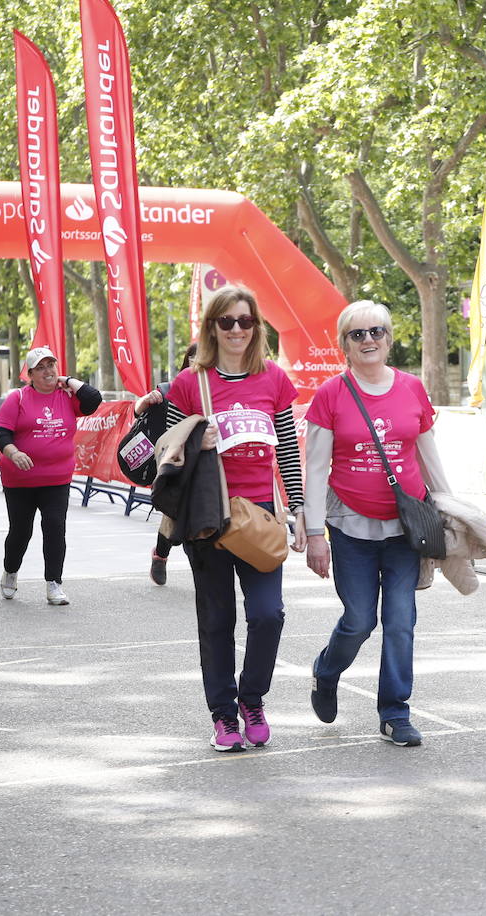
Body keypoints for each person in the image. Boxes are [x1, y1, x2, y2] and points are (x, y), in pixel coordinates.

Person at [304, 300, 452, 748]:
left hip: (405, 529)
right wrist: (314, 533)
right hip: (350, 526)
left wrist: (451, 511)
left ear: (389, 339)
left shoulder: (411, 389)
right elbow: (315, 468)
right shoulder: (331, 394)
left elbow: (429, 455)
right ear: (344, 345)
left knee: (401, 619)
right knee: (359, 621)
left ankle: (394, 713)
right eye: (357, 334)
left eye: (377, 332)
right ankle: (326, 670)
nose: (368, 340)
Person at [165, 285, 305, 752]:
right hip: (209, 514)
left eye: (245, 321)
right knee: (216, 619)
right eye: (227, 321)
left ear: (256, 327)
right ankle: (223, 715)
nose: (237, 330)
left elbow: (287, 448)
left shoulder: (273, 379)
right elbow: (161, 455)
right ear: (211, 328)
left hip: (260, 515)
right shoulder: (190, 382)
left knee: (269, 614)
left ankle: (252, 699)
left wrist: (300, 508)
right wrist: (189, 442)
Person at [0, 347, 102, 606]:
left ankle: (54, 582)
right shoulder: (17, 398)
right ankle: (10, 570)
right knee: (21, 531)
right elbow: (1, 433)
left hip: (57, 478)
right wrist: (14, 452)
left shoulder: (66, 396)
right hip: (20, 479)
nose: (47, 371)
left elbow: (93, 399)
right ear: (29, 374)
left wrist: (68, 380)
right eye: (40, 367)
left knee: (55, 527)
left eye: (51, 365)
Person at [134, 343, 195, 585]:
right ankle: (160, 555)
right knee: (174, 510)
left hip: (207, 460)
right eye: (193, 358)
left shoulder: (216, 389)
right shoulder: (171, 388)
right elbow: (137, 412)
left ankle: (207, 571)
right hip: (173, 458)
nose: (197, 363)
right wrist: (148, 400)